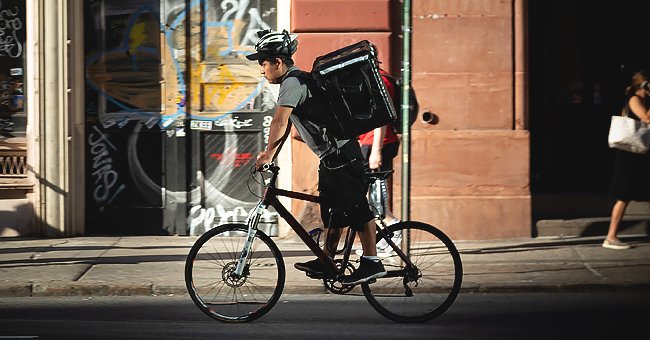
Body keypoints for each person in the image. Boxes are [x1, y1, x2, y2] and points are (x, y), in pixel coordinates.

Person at [247, 29, 386, 285]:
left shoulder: (292, 82)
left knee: (357, 208)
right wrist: (272, 154)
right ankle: (328, 261)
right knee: (333, 213)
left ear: (278, 62)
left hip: (344, 155)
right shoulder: (296, 83)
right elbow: (288, 126)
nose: (261, 70)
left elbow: (279, 120)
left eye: (263, 63)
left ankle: (372, 261)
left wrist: (267, 154)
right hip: (331, 158)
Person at [604, 69, 650, 250]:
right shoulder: (634, 99)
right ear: (644, 85)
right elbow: (646, 118)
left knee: (628, 196)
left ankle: (611, 237)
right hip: (630, 155)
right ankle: (611, 237)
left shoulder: (642, 100)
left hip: (638, 154)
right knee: (623, 196)